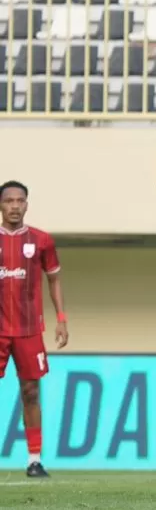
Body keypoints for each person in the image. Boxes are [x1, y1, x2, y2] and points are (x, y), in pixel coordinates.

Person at [0, 181, 67, 478]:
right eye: (9, 201)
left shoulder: (41, 240)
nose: (14, 206)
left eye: (20, 200)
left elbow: (53, 279)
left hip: (29, 330)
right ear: (1, 206)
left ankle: (34, 459)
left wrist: (61, 318)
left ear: (27, 204)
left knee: (30, 391)